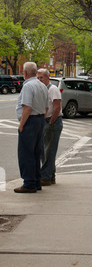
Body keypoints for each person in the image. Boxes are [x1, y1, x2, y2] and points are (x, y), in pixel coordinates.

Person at [15, 62, 49, 193]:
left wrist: (22, 124)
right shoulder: (42, 86)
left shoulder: (28, 86)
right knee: (36, 153)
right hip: (40, 120)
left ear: (24, 73)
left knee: (26, 153)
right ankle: (36, 181)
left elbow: (27, 107)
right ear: (35, 73)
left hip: (30, 121)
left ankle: (29, 183)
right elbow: (46, 107)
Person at [37, 68, 63, 186]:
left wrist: (51, 121)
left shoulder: (53, 89)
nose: (39, 80)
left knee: (48, 151)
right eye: (38, 78)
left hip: (52, 122)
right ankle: (51, 176)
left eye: (41, 77)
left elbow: (57, 107)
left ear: (48, 77)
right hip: (46, 122)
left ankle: (46, 177)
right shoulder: (43, 89)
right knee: (46, 151)